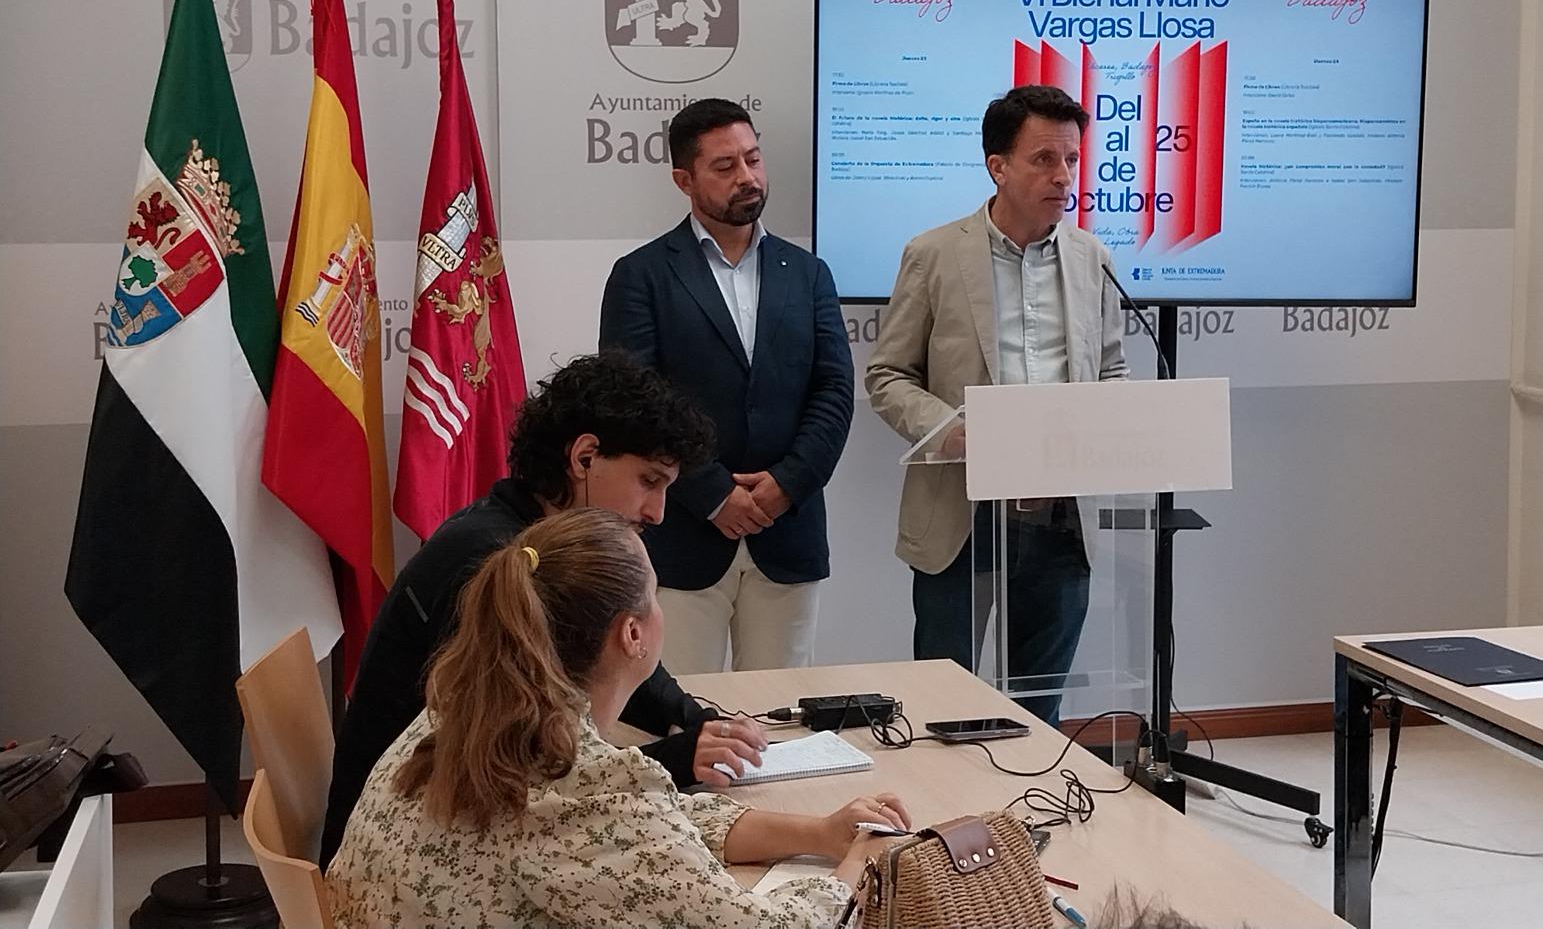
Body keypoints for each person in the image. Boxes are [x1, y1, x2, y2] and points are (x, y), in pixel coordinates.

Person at [327, 509, 909, 929]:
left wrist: (816, 834)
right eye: (654, 593)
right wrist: (861, 867)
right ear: (632, 634)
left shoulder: (461, 707)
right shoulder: (580, 783)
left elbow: (651, 822)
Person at [320, 352, 763, 866]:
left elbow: (609, 651)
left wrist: (695, 721)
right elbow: (527, 768)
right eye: (649, 481)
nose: (657, 513)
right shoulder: (494, 562)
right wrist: (676, 758)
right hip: (400, 852)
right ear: (584, 458)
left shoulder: (518, 534)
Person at [864, 85, 1128, 725]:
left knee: (1038, 707)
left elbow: (1113, 371)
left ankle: (1035, 786)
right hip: (962, 512)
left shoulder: (1093, 258)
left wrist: (1108, 428)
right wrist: (953, 431)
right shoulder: (934, 254)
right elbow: (888, 375)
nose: (1063, 175)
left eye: (1072, 159)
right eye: (1044, 159)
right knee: (944, 702)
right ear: (998, 166)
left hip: (1061, 517)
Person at [600, 98, 854, 675]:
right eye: (725, 166)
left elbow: (834, 390)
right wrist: (714, 493)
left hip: (787, 533)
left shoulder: (809, 273)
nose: (747, 177)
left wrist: (787, 484)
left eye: (753, 159)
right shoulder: (642, 276)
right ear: (684, 180)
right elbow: (633, 403)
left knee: (782, 712)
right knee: (684, 707)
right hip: (684, 532)